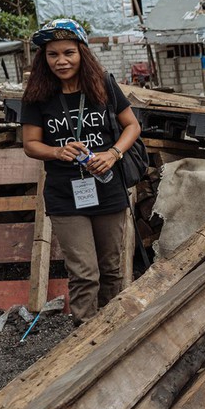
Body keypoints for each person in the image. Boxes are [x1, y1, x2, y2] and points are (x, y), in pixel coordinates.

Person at [20, 19, 142, 326]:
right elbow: (31, 144)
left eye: (69, 53)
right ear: (43, 58)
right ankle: (86, 334)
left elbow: (132, 125)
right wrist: (57, 151)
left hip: (107, 188)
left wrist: (113, 153)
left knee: (111, 269)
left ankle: (114, 329)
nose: (61, 61)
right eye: (53, 55)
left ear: (82, 53)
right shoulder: (38, 94)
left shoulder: (103, 84)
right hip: (65, 194)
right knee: (84, 272)